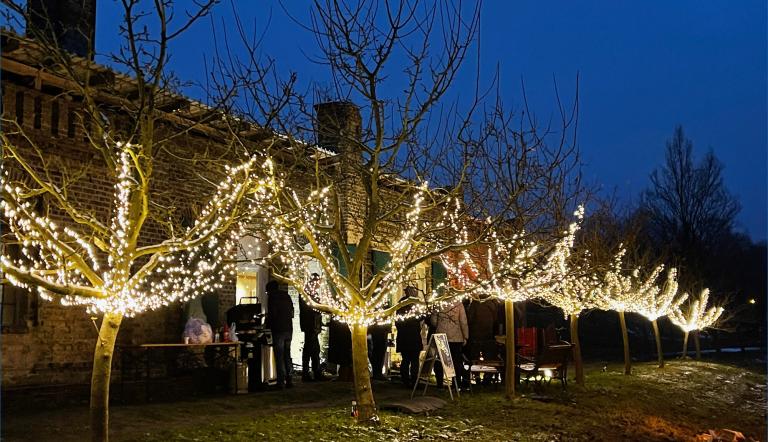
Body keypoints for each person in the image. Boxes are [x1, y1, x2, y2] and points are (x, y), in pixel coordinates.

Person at [431, 300, 469, 389]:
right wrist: (465, 336)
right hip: (456, 336)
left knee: (440, 360)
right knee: (456, 361)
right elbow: (463, 321)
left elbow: (433, 320)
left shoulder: (438, 302)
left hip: (441, 336)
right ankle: (456, 384)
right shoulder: (458, 303)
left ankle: (439, 383)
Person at [266, 280, 294, 388]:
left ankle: (281, 381)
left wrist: (267, 325)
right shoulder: (286, 296)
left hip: (278, 330)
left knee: (279, 356)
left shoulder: (272, 297)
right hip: (288, 329)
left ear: (270, 290)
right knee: (287, 354)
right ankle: (289, 379)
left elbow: (272, 314)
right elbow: (292, 312)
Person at [300, 274, 326, 382]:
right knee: (310, 349)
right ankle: (309, 373)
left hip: (311, 325)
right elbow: (312, 309)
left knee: (314, 349)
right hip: (310, 325)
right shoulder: (307, 294)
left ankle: (314, 371)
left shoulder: (308, 293)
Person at [396, 286, 423, 388]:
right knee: (414, 360)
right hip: (413, 336)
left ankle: (405, 380)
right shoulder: (414, 304)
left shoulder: (401, 304)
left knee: (406, 359)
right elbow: (420, 317)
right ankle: (413, 380)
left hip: (404, 337)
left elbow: (397, 321)